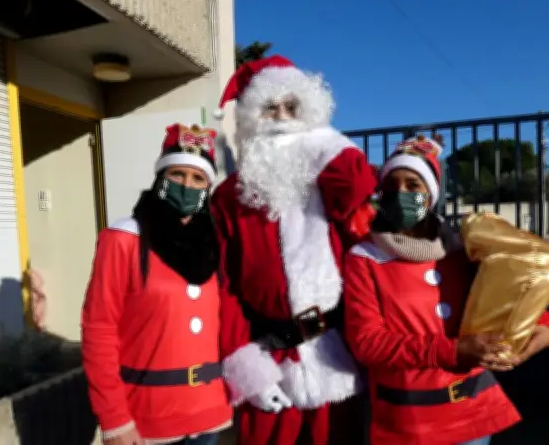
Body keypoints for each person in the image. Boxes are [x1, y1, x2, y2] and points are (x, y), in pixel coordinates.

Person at [343, 135, 549, 445]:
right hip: (409, 422)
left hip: (473, 415)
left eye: (413, 185)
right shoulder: (365, 258)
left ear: (431, 193)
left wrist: (546, 329)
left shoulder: (464, 248)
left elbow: (508, 294)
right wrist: (454, 349)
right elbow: (367, 343)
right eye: (391, 185)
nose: (400, 193)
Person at [209, 55, 378, 445]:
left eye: (293, 108)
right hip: (269, 360)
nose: (282, 118)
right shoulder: (229, 198)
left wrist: (317, 138)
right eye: (271, 109)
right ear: (253, 119)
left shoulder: (326, 178)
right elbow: (222, 286)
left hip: (334, 354)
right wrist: (247, 369)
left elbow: (357, 183)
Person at [81, 124, 232, 445]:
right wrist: (114, 420)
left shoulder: (213, 244)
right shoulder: (125, 239)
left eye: (198, 178)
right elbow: (99, 330)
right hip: (146, 423)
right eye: (177, 174)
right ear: (160, 177)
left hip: (209, 417)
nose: (187, 185)